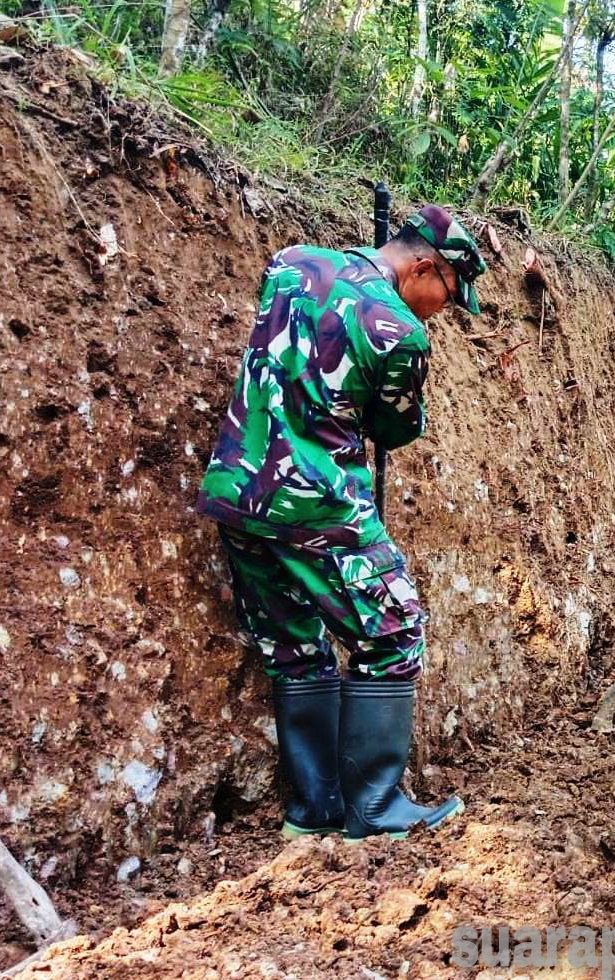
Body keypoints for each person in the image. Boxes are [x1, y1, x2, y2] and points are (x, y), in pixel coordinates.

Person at [196, 205, 486, 840]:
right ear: (423, 267)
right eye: (448, 293)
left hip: (239, 490)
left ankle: (315, 810)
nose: (443, 309)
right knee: (395, 628)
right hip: (316, 502)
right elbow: (395, 428)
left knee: (294, 644)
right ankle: (375, 807)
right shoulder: (400, 332)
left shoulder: (293, 263)